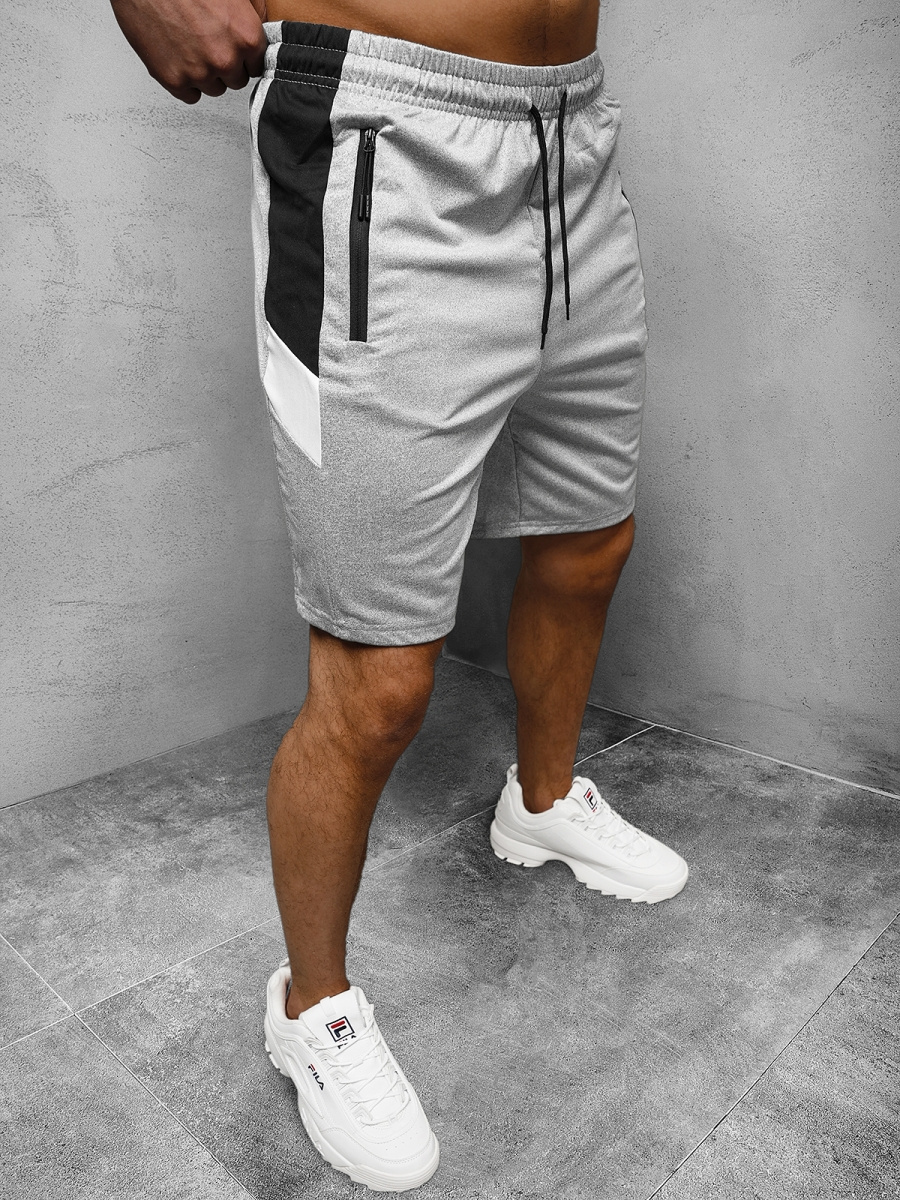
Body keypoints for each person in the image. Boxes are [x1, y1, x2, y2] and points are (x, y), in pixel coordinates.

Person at [109, 0, 689, 1190]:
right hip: (383, 137)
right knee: (377, 679)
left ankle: (540, 803)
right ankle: (309, 1006)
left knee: (589, 541)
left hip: (572, 138)